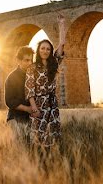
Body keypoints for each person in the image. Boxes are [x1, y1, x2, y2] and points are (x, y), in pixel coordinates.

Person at [25, 16, 66, 152]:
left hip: (52, 104)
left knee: (53, 135)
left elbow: (62, 45)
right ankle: (37, 161)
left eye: (48, 49)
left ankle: (52, 161)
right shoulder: (32, 67)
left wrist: (61, 25)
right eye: (43, 48)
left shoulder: (54, 64)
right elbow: (29, 89)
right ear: (39, 50)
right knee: (38, 135)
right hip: (39, 104)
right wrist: (34, 108)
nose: (45, 51)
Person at [4, 45, 39, 140]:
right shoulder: (12, 77)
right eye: (26, 60)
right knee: (19, 145)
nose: (30, 63)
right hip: (15, 118)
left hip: (31, 118)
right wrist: (26, 108)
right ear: (18, 61)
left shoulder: (34, 76)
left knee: (31, 147)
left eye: (31, 60)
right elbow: (9, 101)